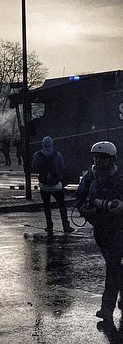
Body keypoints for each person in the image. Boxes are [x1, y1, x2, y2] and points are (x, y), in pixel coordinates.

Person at [77, 141, 123, 323]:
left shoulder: (120, 178)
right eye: (96, 157)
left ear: (111, 159)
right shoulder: (89, 178)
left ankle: (107, 308)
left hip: (119, 228)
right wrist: (84, 209)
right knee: (115, 266)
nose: (98, 160)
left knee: (112, 266)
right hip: (101, 230)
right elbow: (80, 199)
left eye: (102, 157)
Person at [31, 136, 73, 236]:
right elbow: (62, 168)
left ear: (43, 144)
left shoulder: (37, 155)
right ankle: (65, 225)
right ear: (52, 144)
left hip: (44, 185)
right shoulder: (57, 155)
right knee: (62, 205)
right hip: (56, 185)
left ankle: (49, 226)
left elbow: (34, 168)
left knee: (47, 207)